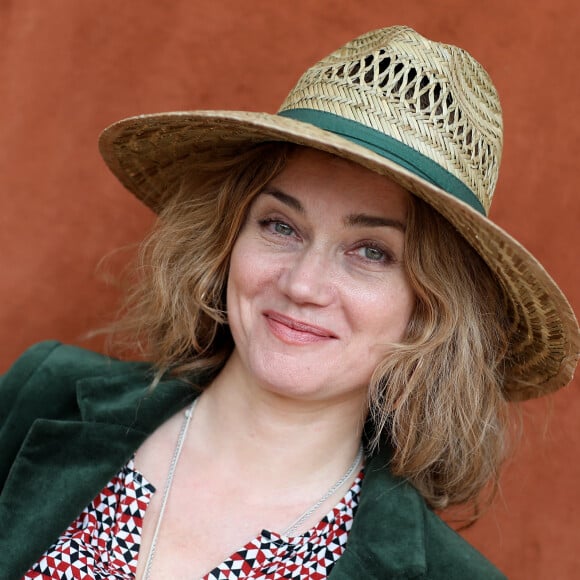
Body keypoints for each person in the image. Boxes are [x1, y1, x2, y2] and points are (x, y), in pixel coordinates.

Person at [0, 25, 578, 580]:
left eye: (372, 252)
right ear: (226, 238)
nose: (303, 285)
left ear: (430, 310)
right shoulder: (38, 394)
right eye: (281, 226)